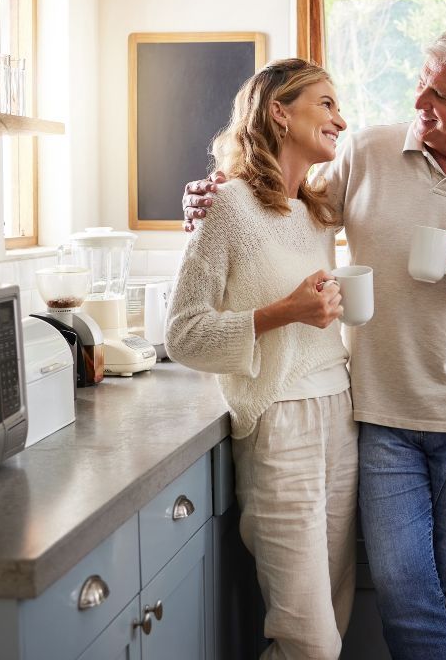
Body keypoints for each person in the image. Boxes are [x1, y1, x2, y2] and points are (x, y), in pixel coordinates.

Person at [183, 26, 446, 660]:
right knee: (398, 583)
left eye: (441, 96)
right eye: (420, 84)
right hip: (378, 412)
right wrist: (212, 193)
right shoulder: (367, 152)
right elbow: (287, 207)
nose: (421, 104)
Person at [165, 58, 357, 660]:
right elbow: (184, 334)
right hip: (279, 425)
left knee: (336, 615)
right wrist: (285, 311)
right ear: (279, 111)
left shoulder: (317, 212)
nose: (340, 119)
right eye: (325, 103)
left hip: (340, 417)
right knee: (309, 643)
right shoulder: (227, 206)